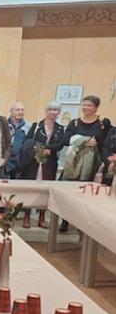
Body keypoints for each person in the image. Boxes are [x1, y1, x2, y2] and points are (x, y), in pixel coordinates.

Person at [59, 95, 111, 232]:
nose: (86, 107)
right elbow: (66, 140)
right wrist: (84, 141)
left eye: (89, 105)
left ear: (96, 108)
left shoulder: (102, 124)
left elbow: (105, 143)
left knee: (85, 195)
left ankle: (82, 225)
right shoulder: (74, 123)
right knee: (69, 194)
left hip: (91, 164)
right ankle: (65, 221)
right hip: (72, 163)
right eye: (84, 104)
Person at [20, 102, 65, 228]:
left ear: (58, 112)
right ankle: (27, 216)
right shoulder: (36, 126)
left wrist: (49, 149)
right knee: (31, 189)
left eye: (55, 110)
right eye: (50, 109)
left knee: (46, 190)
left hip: (50, 163)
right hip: (33, 162)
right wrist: (39, 149)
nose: (52, 112)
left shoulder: (60, 128)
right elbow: (27, 141)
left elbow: (61, 144)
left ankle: (42, 217)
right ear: (46, 111)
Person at [6, 102, 32, 179]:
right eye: (17, 110)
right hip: (5, 162)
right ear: (11, 111)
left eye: (22, 110)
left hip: (21, 164)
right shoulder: (4, 125)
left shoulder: (29, 127)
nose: (20, 112)